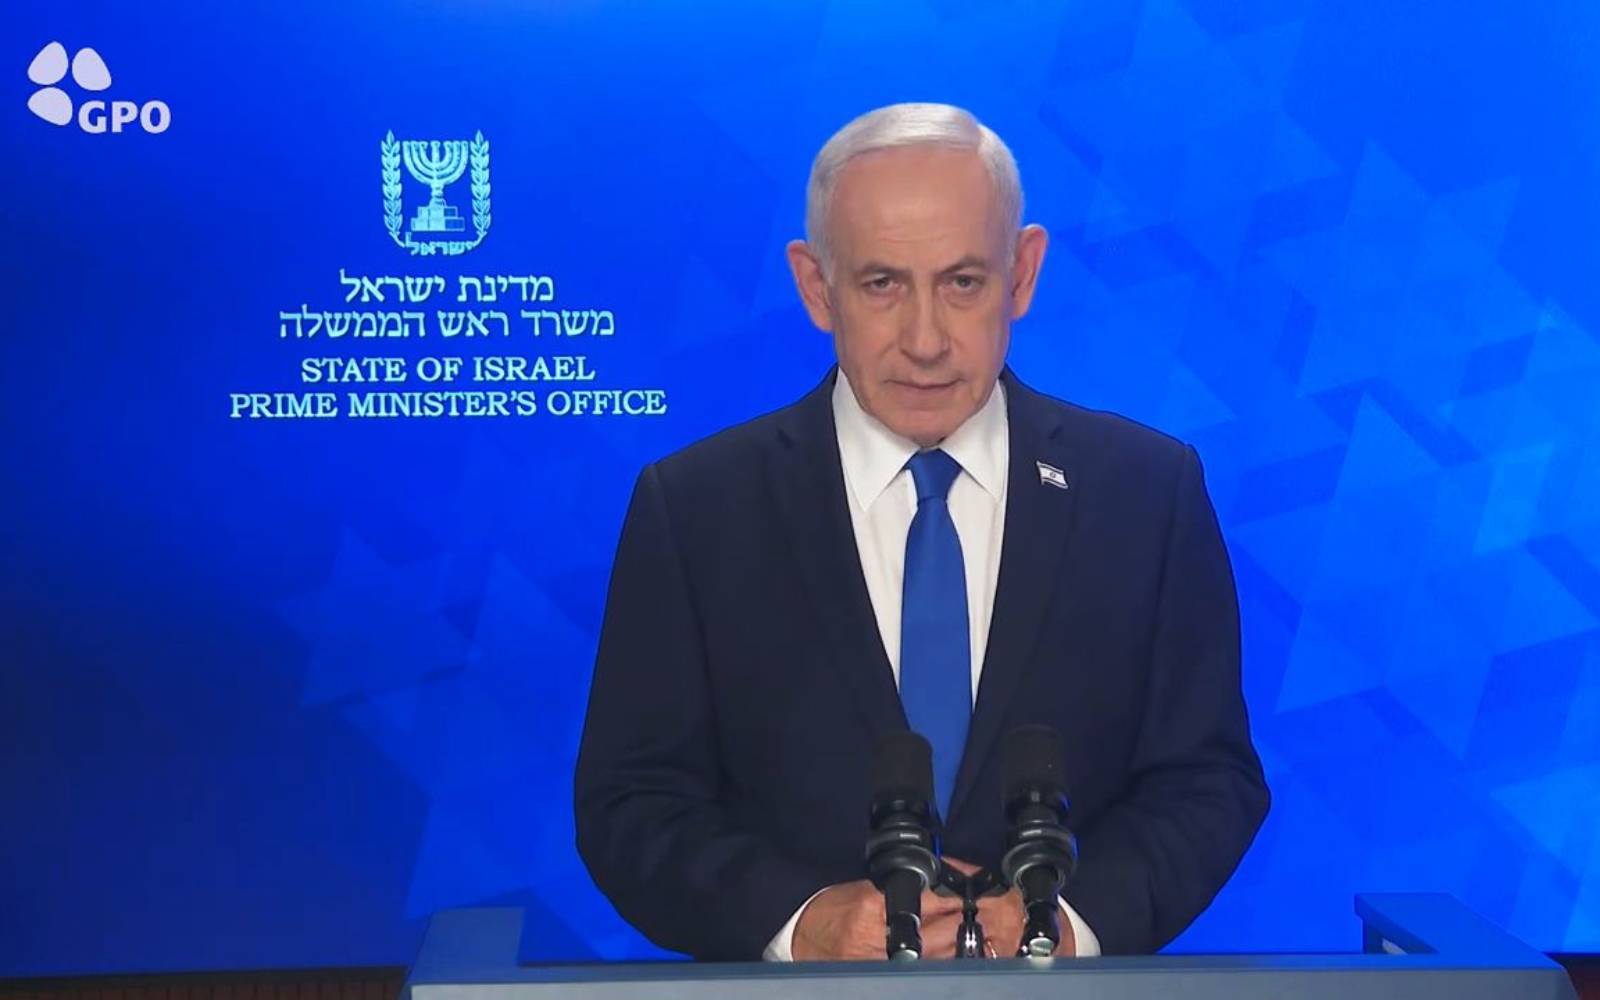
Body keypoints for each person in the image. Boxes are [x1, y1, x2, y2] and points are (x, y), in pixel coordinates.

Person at [574, 102, 1269, 962]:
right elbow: (632, 803)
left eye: (963, 282)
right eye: (882, 284)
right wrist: (802, 924)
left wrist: (1069, 923)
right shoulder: (697, 509)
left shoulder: (1147, 492)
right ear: (815, 287)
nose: (926, 340)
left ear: (1022, 274)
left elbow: (1207, 779)